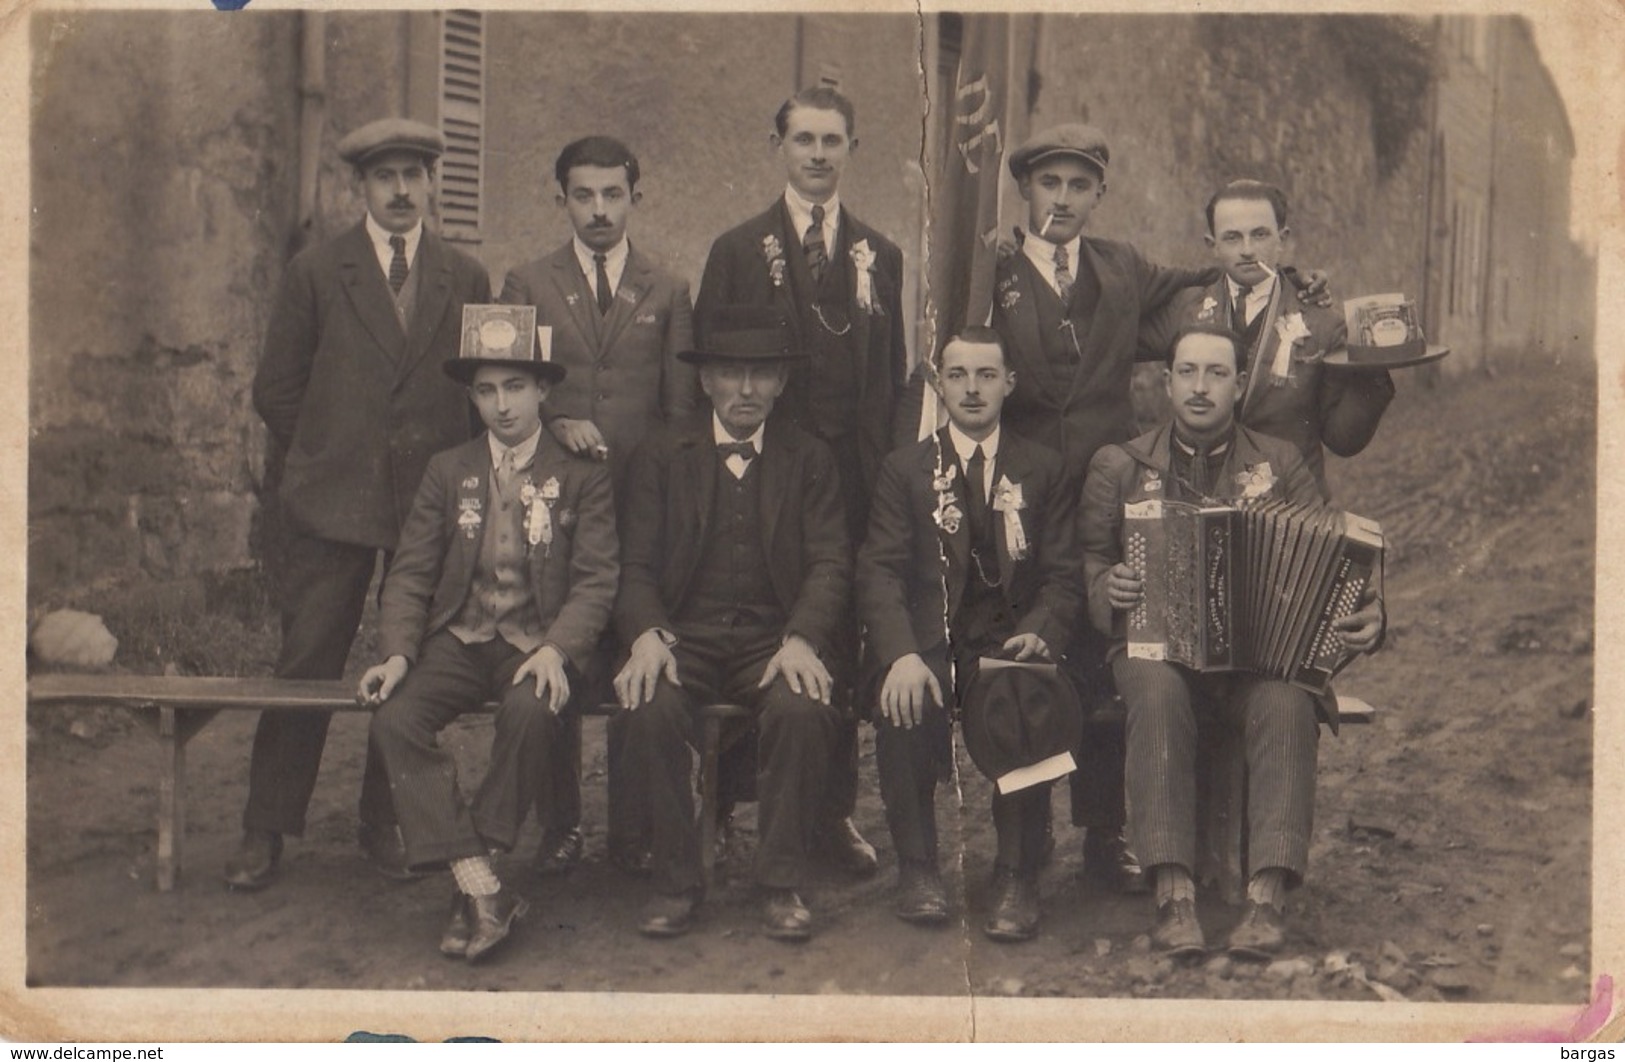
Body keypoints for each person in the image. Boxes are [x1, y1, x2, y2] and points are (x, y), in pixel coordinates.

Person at [231, 117, 492, 890]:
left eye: (415, 175)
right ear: (361, 188)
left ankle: (386, 820)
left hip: (428, 503)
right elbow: (275, 388)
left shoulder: (465, 277)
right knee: (307, 658)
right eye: (387, 177)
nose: (403, 190)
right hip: (331, 502)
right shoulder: (318, 271)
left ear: (432, 183)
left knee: (405, 659)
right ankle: (266, 827)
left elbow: (480, 386)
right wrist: (328, 448)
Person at [1080, 324, 1384, 959]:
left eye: (1216, 373)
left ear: (1239, 384)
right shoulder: (1121, 465)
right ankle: (1173, 894)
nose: (1199, 387)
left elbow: (1333, 563)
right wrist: (1108, 586)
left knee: (1287, 700)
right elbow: (1085, 566)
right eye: (1186, 372)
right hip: (1156, 654)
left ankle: (1267, 898)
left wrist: (1371, 614)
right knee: (1157, 691)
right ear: (1165, 383)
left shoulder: (1280, 462)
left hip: (1255, 664)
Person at [693, 84, 906, 876]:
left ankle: (828, 813)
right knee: (739, 624)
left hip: (845, 483)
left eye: (832, 141)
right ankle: (718, 805)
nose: (818, 155)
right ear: (777, 147)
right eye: (804, 140)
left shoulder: (878, 255)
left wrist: (884, 487)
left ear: (852, 149)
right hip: (758, 474)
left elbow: (887, 378)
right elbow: (708, 378)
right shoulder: (736, 249)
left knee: (836, 647)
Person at [357, 341, 619, 963]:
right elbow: (412, 573)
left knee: (530, 712)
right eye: (486, 391)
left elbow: (597, 579)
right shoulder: (449, 470)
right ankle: (483, 884)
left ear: (542, 393)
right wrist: (397, 654)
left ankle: (475, 881)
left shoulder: (582, 473)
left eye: (515, 387)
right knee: (394, 718)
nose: (501, 405)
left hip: (537, 641)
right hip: (463, 634)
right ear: (472, 398)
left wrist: (558, 649)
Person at [613, 305, 849, 942]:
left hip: (770, 640)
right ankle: (675, 881)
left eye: (761, 375)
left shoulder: (809, 458)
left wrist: (801, 639)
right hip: (683, 635)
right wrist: (646, 635)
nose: (746, 390)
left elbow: (830, 561)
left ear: (782, 384)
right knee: (649, 703)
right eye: (731, 375)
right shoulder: (663, 455)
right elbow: (632, 564)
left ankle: (779, 882)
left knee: (803, 705)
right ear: (705, 382)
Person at [497, 135, 697, 877]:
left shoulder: (669, 289)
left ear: (634, 199)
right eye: (583, 195)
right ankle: (558, 825)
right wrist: (551, 425)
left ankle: (633, 829)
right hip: (556, 509)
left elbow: (680, 418)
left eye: (613, 194)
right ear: (561, 201)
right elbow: (507, 393)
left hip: (640, 512)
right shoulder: (526, 281)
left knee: (633, 657)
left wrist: (668, 504)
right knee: (553, 653)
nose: (599, 210)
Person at [857, 328, 1083, 941]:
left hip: (1007, 643)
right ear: (939, 383)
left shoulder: (1043, 468)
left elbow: (1064, 576)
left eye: (987, 375)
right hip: (930, 643)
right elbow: (879, 570)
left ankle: (1016, 874)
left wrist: (1041, 633)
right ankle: (919, 867)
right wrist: (901, 652)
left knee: (1026, 696)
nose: (973, 389)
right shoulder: (905, 469)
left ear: (1009, 383)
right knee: (900, 697)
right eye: (957, 375)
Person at [1138, 179, 1394, 498]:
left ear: (1282, 239)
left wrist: (1374, 370)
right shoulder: (1184, 310)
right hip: (1197, 499)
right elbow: (1107, 340)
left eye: (1260, 234)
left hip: (1289, 505)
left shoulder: (1322, 321)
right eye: (1232, 238)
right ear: (1212, 245)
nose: (1247, 250)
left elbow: (1344, 440)